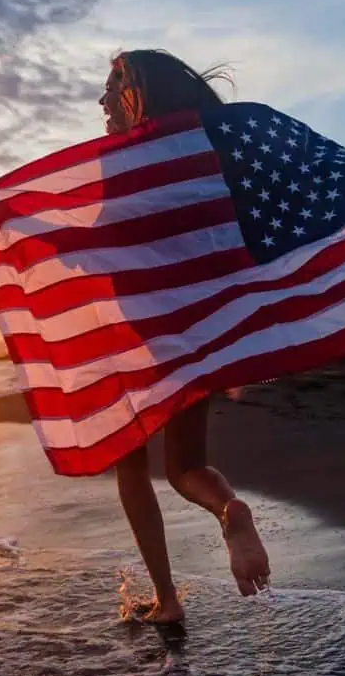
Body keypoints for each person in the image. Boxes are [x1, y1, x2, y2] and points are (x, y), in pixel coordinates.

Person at [98, 49, 271, 624]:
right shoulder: (195, 159)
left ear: (137, 96)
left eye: (111, 90)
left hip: (132, 339)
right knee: (184, 467)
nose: (101, 102)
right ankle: (228, 510)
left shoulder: (122, 165)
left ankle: (168, 600)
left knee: (131, 470)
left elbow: (94, 246)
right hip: (190, 335)